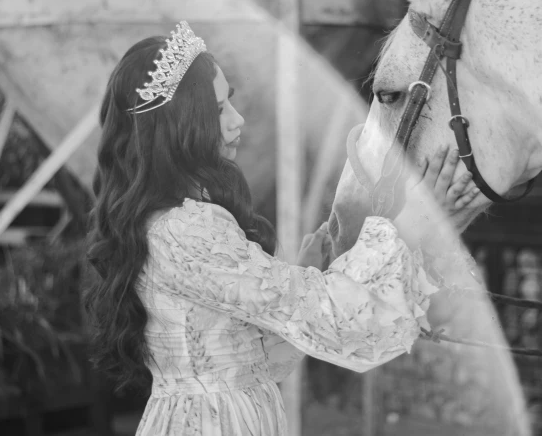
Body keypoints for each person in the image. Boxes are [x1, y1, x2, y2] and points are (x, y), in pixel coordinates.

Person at [84, 22, 479, 436]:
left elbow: (257, 363)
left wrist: (303, 281)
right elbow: (336, 320)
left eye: (230, 103)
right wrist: (409, 227)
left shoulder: (172, 222)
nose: (237, 121)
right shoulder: (187, 229)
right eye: (218, 110)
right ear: (179, 123)